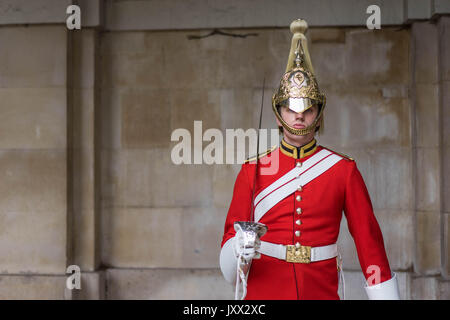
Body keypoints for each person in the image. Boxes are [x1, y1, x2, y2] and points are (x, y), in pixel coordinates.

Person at [219, 19, 400, 300]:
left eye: (308, 108)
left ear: (318, 115)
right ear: (279, 116)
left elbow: (369, 243)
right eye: (290, 109)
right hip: (265, 292)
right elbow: (230, 242)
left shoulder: (343, 170)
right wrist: (237, 249)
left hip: (320, 291)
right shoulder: (252, 169)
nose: (299, 115)